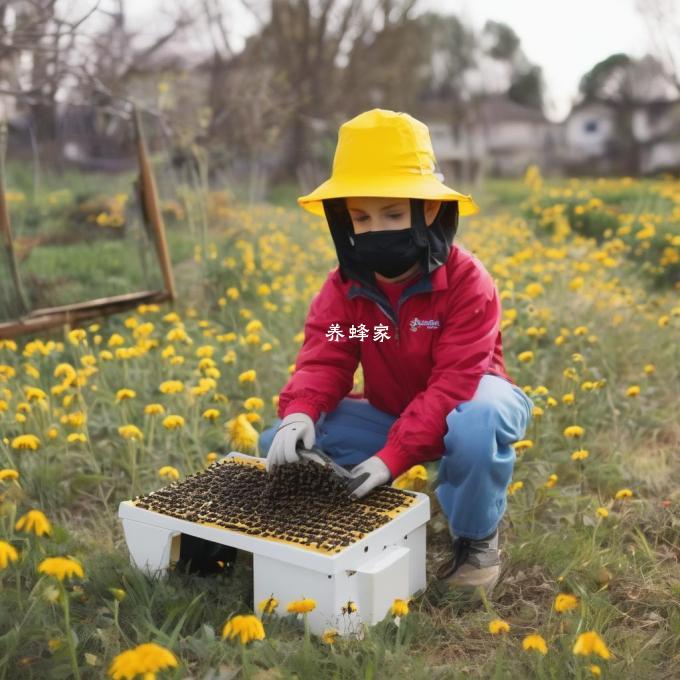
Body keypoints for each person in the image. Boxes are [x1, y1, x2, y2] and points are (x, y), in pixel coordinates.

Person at [257, 109, 533, 597]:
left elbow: (453, 385)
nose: (374, 228)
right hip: (389, 411)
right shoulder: (345, 288)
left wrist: (393, 457)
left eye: (391, 214)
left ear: (426, 211)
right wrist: (299, 415)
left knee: (478, 421)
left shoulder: (469, 283)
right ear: (343, 220)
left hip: (468, 404)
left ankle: (474, 541)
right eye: (361, 218)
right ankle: (348, 518)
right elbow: (326, 359)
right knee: (279, 444)